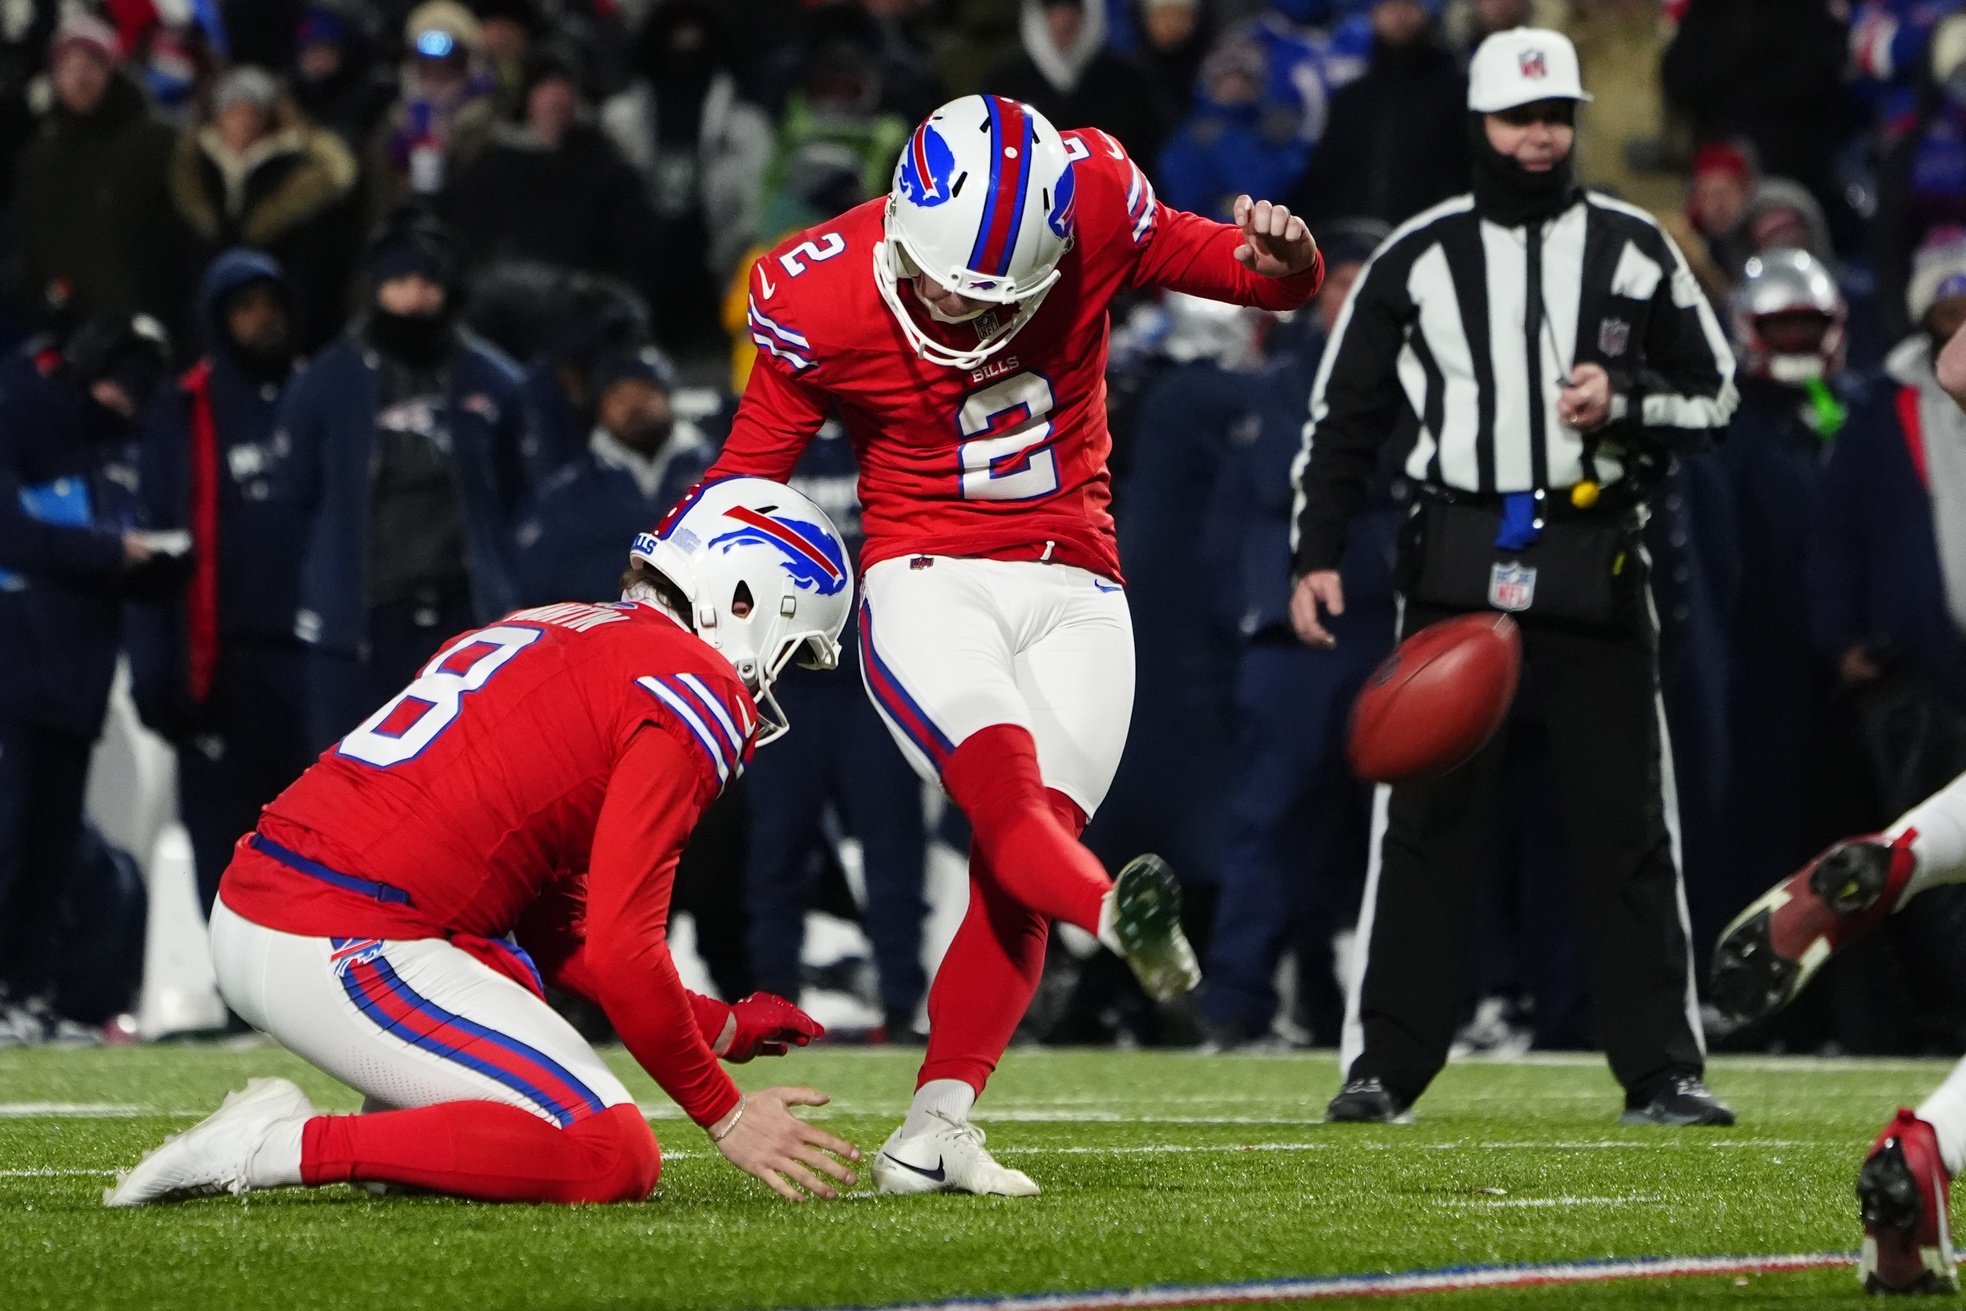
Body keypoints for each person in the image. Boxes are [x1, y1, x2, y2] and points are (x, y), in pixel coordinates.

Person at [681, 93, 1322, 1194]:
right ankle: (1116, 917)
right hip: (926, 572)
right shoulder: (816, 288)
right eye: (944, 289)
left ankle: (933, 1131)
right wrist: (667, 587)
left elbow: (1257, 280)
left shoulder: (1097, 202)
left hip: (1079, 575)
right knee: (1010, 800)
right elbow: (744, 478)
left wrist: (1294, 260)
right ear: (903, 230)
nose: (966, 318)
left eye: (998, 298)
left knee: (1023, 862)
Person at [105, 478, 862, 1208]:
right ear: (746, 600)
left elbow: (559, 928)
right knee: (611, 1152)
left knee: (517, 991)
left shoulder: (557, 623)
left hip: (283, 908)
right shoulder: (693, 683)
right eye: (792, 650)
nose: (776, 682)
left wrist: (716, 1025)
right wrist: (727, 1114)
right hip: (343, 930)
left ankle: (401, 1134)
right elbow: (627, 950)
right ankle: (275, 1143)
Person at [1289, 29, 1739, 1126]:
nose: (1538, 138)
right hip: (1452, 562)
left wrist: (1620, 397)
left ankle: (1662, 1070)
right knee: (1425, 829)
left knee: (1625, 826)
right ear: (1479, 124)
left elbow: (1717, 394)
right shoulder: (1414, 254)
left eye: (1554, 118)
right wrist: (1312, 554)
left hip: (1593, 554)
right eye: (1516, 119)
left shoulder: (1634, 244)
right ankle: (1384, 1064)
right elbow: (1341, 420)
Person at [1202, 219, 1395, 1048]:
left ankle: (1408, 1008)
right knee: (1271, 821)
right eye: (1339, 281)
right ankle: (1239, 1001)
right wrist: (1246, 613)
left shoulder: (1427, 382)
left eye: (1365, 283)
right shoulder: (1283, 387)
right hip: (1293, 635)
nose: (1349, 298)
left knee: (1403, 832)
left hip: (1387, 628)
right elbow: (1249, 506)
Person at [276, 210, 533, 749]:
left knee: (471, 792)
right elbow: (293, 500)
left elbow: (519, 496)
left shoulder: (496, 382)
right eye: (400, 283)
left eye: (427, 284)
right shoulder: (325, 383)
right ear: (376, 289)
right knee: (349, 795)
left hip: (467, 619)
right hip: (360, 627)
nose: (414, 299)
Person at [0, 313, 179, 1042]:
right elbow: (14, 537)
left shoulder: (117, 459)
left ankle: (26, 995)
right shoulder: (17, 420)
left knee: (48, 847)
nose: (122, 398)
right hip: (14, 678)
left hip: (75, 682)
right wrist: (113, 555)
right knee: (10, 840)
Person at [128, 251, 315, 916]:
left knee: (324, 837)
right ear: (216, 319)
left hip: (314, 657)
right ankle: (235, 995)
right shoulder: (182, 410)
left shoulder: (320, 395)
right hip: (222, 664)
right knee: (227, 837)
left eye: (272, 305)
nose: (263, 320)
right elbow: (156, 543)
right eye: (245, 308)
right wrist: (158, 673)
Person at [163, 66, 362, 353]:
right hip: (204, 322)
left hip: (279, 322)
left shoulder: (295, 169)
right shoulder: (194, 168)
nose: (242, 122)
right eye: (233, 111)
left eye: (252, 112)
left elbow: (315, 259)